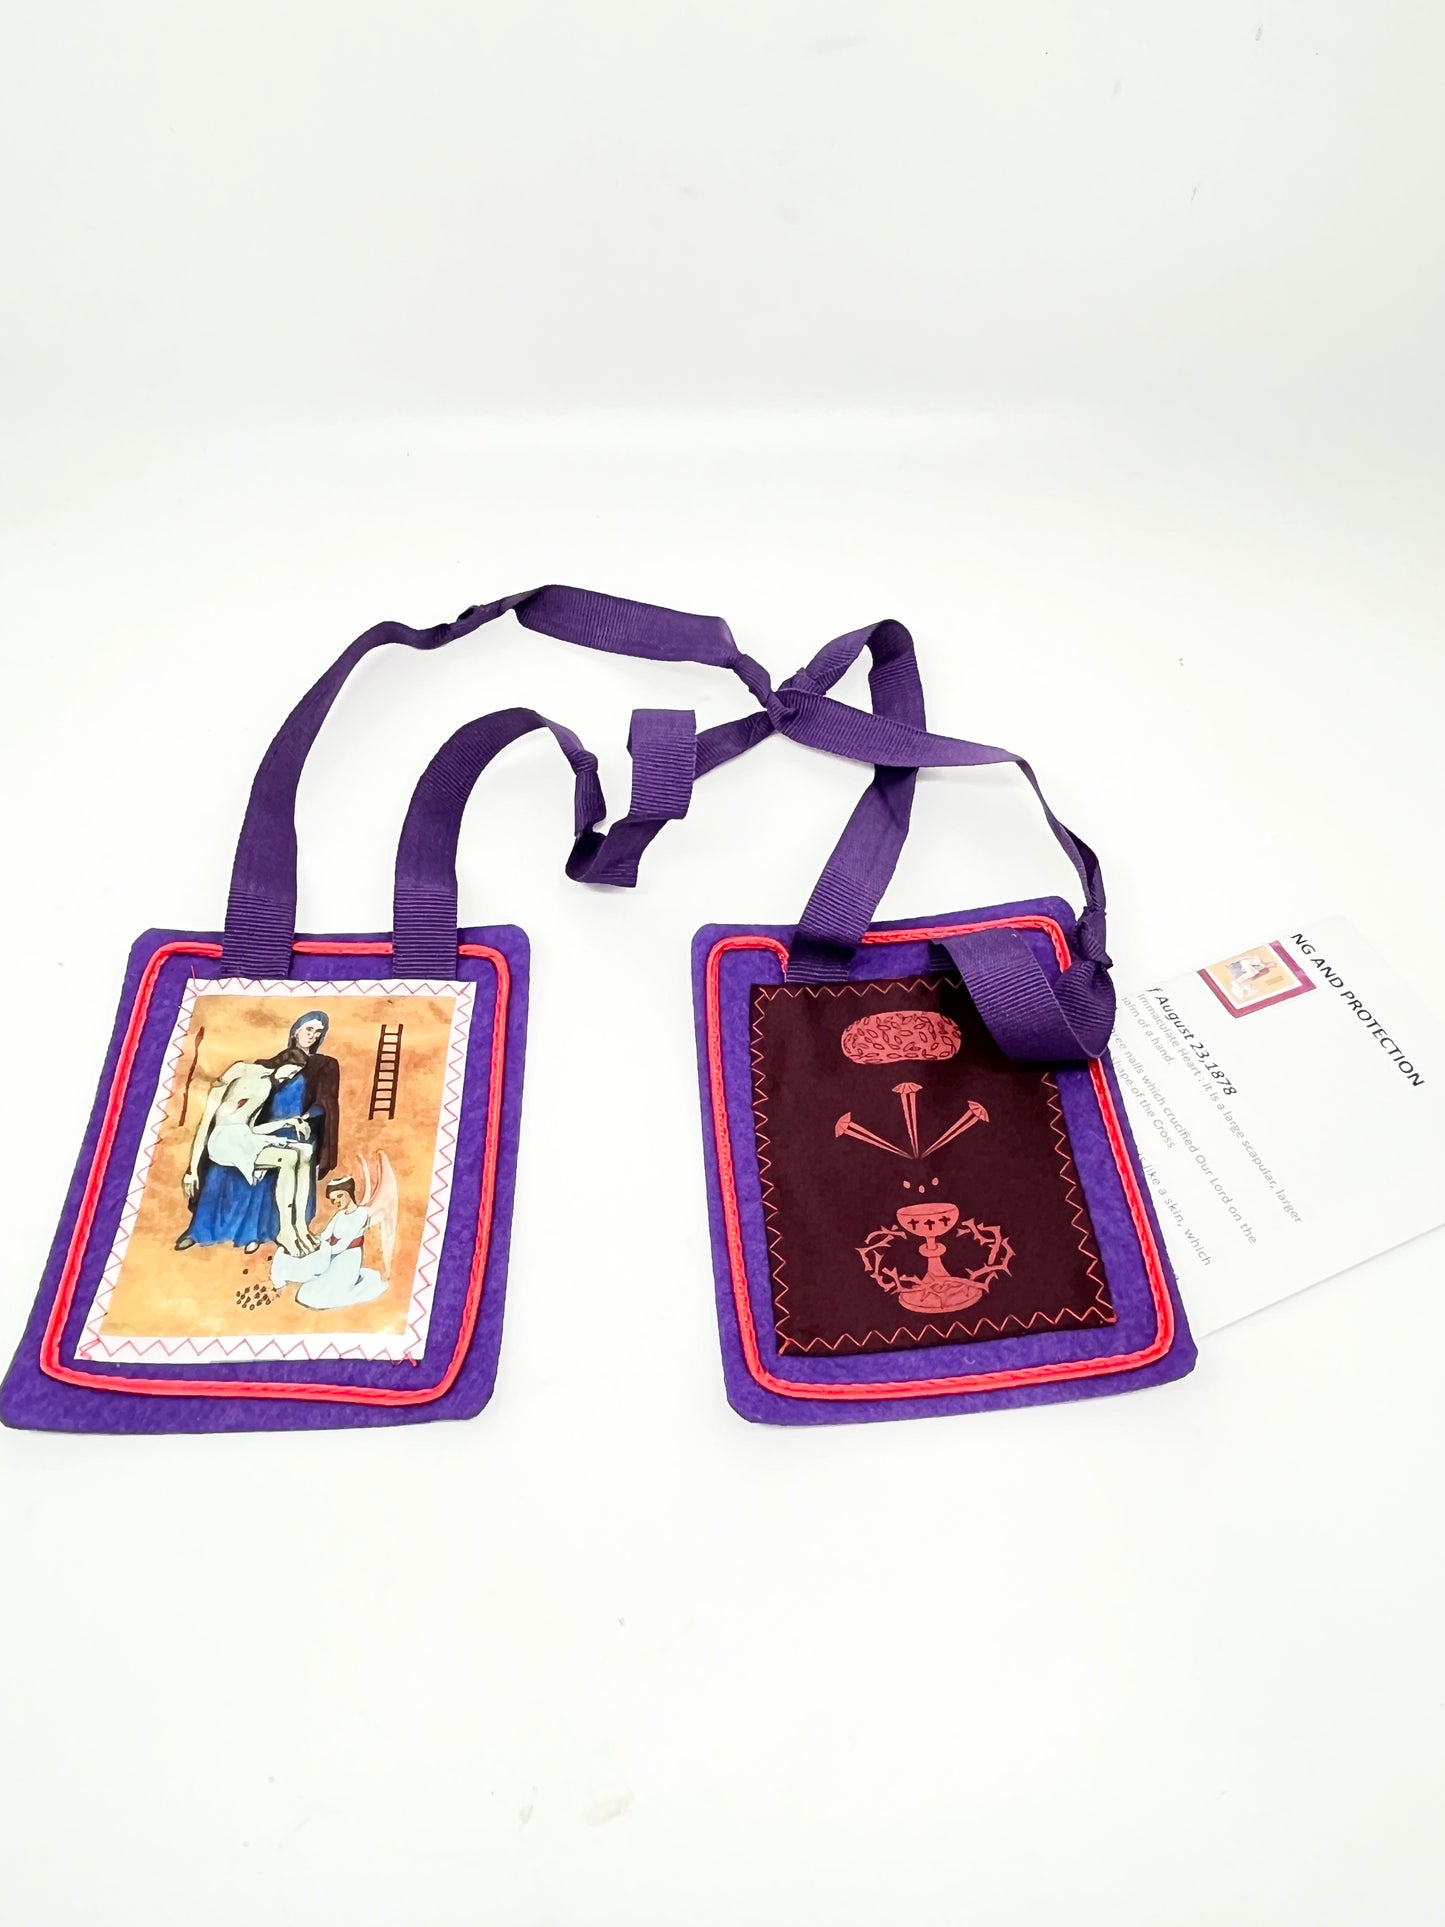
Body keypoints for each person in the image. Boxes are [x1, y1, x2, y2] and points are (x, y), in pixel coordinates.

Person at [178, 1061, 319, 1258]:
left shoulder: (267, 1086)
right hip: (223, 1141)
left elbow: (251, 1128)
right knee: (288, 1158)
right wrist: (192, 1170)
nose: (288, 1078)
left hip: (244, 1138)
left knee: (305, 1151)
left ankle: (299, 1227)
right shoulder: (230, 1079)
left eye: (294, 1074)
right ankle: (285, 1231)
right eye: (291, 1071)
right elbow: (204, 1127)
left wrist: (286, 1123)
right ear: (285, 1061)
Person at [269, 1155, 397, 1309]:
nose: (337, 1202)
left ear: (349, 1193)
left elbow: (341, 1246)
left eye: (339, 1196)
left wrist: (323, 1248)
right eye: (333, 1200)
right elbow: (325, 1235)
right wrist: (314, 1242)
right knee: (305, 1291)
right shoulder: (340, 1215)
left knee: (316, 1295)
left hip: (348, 1260)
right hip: (332, 1258)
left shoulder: (360, 1215)